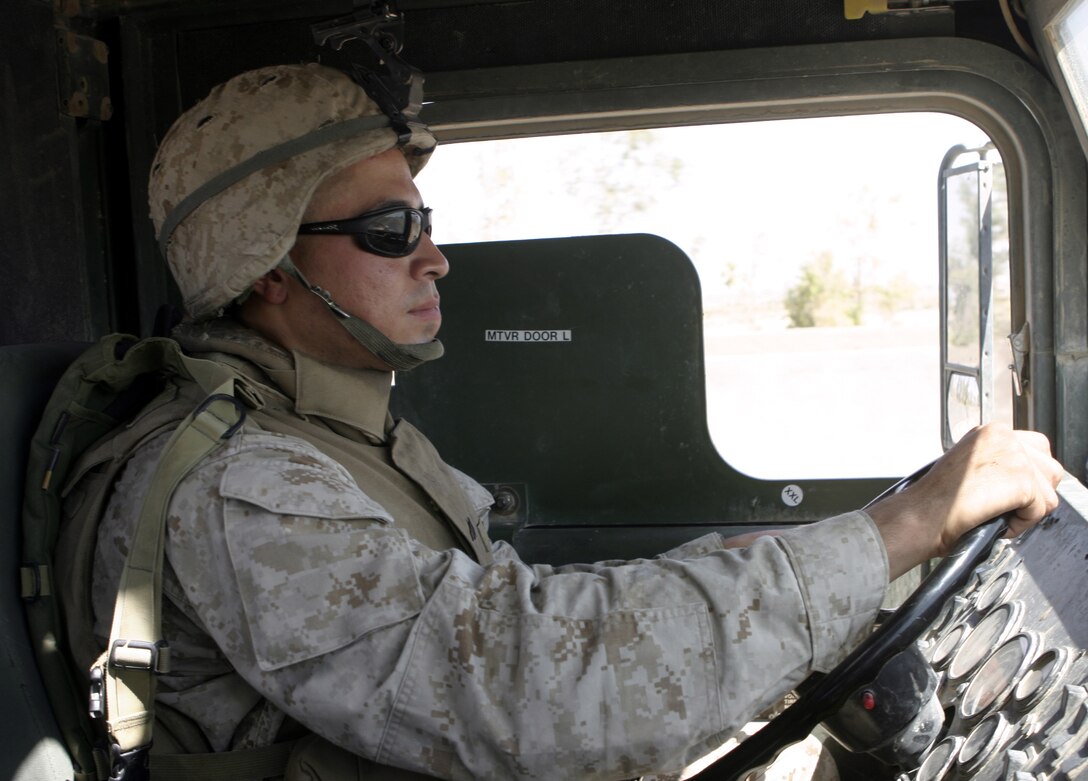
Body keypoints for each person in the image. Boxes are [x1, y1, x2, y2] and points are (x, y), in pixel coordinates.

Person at [88, 62, 1063, 781]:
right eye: (389, 231)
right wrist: (895, 528)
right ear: (266, 268)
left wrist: (750, 565)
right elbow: (520, 690)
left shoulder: (347, 435)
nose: (433, 259)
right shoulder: (246, 482)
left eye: (426, 225)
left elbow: (494, 618)